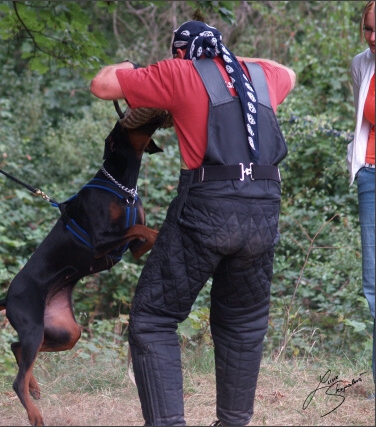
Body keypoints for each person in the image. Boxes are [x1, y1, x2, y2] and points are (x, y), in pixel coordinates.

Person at [90, 20, 295, 426]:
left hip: (208, 209)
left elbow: (103, 84)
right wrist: (233, 60)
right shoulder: (261, 77)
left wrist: (135, 64)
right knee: (243, 323)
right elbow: (289, 71)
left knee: (153, 319)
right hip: (264, 213)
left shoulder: (180, 73)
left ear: (181, 52)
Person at [349, 0, 375, 391]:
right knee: (374, 283)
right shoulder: (362, 63)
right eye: (368, 28)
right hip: (370, 175)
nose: (373, 38)